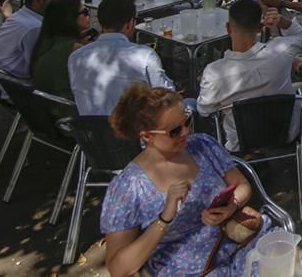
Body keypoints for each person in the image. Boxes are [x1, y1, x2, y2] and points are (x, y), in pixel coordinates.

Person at [100, 85, 272, 276]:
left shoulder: (202, 145)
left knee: (292, 262)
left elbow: (242, 185)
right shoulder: (128, 187)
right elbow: (118, 269)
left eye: (187, 121)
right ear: (147, 136)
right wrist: (164, 219)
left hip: (238, 240)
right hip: (190, 268)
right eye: (174, 131)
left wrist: (230, 206)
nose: (185, 133)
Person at [197, 1, 302, 151]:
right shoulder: (281, 51)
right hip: (283, 134)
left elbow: (204, 110)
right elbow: (300, 33)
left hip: (239, 144)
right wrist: (282, 21)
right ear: (260, 28)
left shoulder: (214, 73)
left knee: (191, 105)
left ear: (228, 28)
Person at [68, 0, 174, 116]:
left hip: (91, 131)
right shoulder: (144, 56)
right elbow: (167, 98)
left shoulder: (75, 57)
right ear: (130, 23)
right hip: (134, 131)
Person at [0, 0, 64, 79]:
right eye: (56, 2)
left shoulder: (20, 16)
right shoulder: (34, 28)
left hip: (2, 76)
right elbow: (43, 70)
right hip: (17, 85)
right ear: (38, 0)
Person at [30, 0, 94, 104]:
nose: (89, 15)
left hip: (49, 106)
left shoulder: (45, 43)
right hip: (71, 111)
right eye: (85, 12)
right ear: (71, 18)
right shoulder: (75, 50)